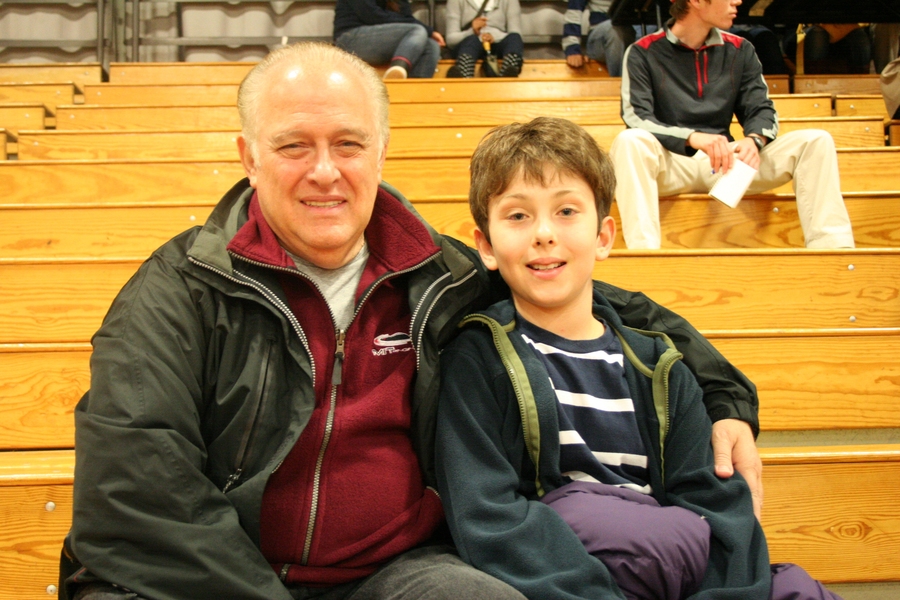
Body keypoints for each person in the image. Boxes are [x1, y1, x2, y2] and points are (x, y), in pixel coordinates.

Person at [60, 41, 762, 600]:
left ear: (381, 152)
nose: (325, 172)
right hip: (206, 579)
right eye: (293, 145)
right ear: (249, 158)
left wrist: (725, 396)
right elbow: (135, 489)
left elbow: (599, 301)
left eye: (348, 144)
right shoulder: (180, 288)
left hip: (391, 575)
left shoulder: (440, 274)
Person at [435, 115, 842, 600]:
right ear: (486, 245)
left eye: (567, 211)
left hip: (679, 568)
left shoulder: (659, 362)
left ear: (605, 236)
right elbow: (487, 513)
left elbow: (717, 504)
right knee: (602, 519)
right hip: (568, 569)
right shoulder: (479, 357)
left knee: (798, 589)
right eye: (518, 216)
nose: (543, 233)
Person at [611, 0, 856, 250]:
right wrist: (693, 137)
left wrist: (754, 139)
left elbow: (761, 109)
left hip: (726, 165)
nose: (737, 1)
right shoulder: (642, 51)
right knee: (629, 141)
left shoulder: (740, 49)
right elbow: (636, 117)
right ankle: (645, 255)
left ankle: (834, 251)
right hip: (672, 164)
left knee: (816, 141)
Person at [333, 0, 444, 79]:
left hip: (382, 39)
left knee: (431, 45)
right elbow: (372, 16)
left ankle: (414, 94)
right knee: (417, 30)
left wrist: (429, 32)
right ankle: (397, 70)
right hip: (350, 38)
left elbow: (407, 18)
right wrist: (426, 30)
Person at [563, 0, 657, 77]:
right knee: (614, 28)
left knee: (659, 28)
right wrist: (572, 49)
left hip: (633, 33)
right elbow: (574, 13)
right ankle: (619, 86)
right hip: (602, 37)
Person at [444, 0, 524, 78]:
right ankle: (463, 79)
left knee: (515, 38)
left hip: (498, 45)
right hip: (470, 46)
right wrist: (472, 31)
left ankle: (507, 77)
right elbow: (451, 40)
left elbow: (516, 33)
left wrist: (493, 37)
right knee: (471, 41)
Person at [783, 24, 872, 75]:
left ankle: (858, 90)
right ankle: (812, 87)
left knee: (860, 39)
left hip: (845, 27)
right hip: (802, 29)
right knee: (818, 36)